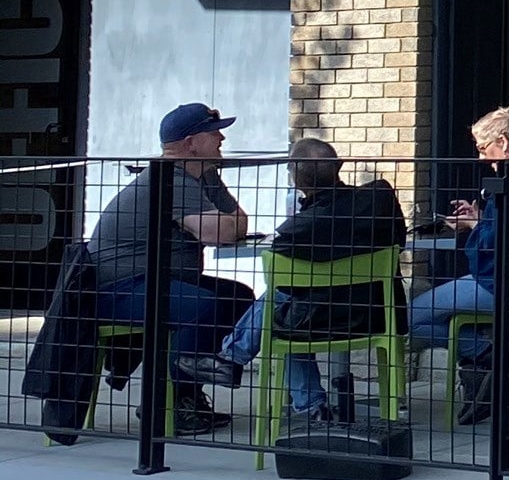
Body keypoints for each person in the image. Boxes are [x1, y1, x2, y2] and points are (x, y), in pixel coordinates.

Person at [89, 104, 256, 435]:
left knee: (239, 297)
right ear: (192, 143)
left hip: (153, 281)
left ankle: (190, 393)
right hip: (117, 289)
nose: (222, 137)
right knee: (202, 306)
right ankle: (167, 403)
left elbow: (239, 222)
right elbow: (220, 232)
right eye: (214, 132)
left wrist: (228, 221)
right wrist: (229, 224)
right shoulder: (171, 178)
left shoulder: (202, 175)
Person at [217, 138, 408, 425]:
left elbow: (285, 279)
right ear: (340, 167)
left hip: (320, 320)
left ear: (294, 177)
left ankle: (237, 362)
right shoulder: (380, 198)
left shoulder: (297, 229)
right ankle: (235, 361)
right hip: (378, 314)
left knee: (279, 308)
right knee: (282, 305)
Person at [406, 105, 509, 420]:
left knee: (409, 316)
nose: (481, 157)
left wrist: (472, 227)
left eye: (484, 148)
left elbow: (491, 244)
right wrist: (483, 219)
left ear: (504, 142)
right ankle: (486, 359)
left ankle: (489, 354)